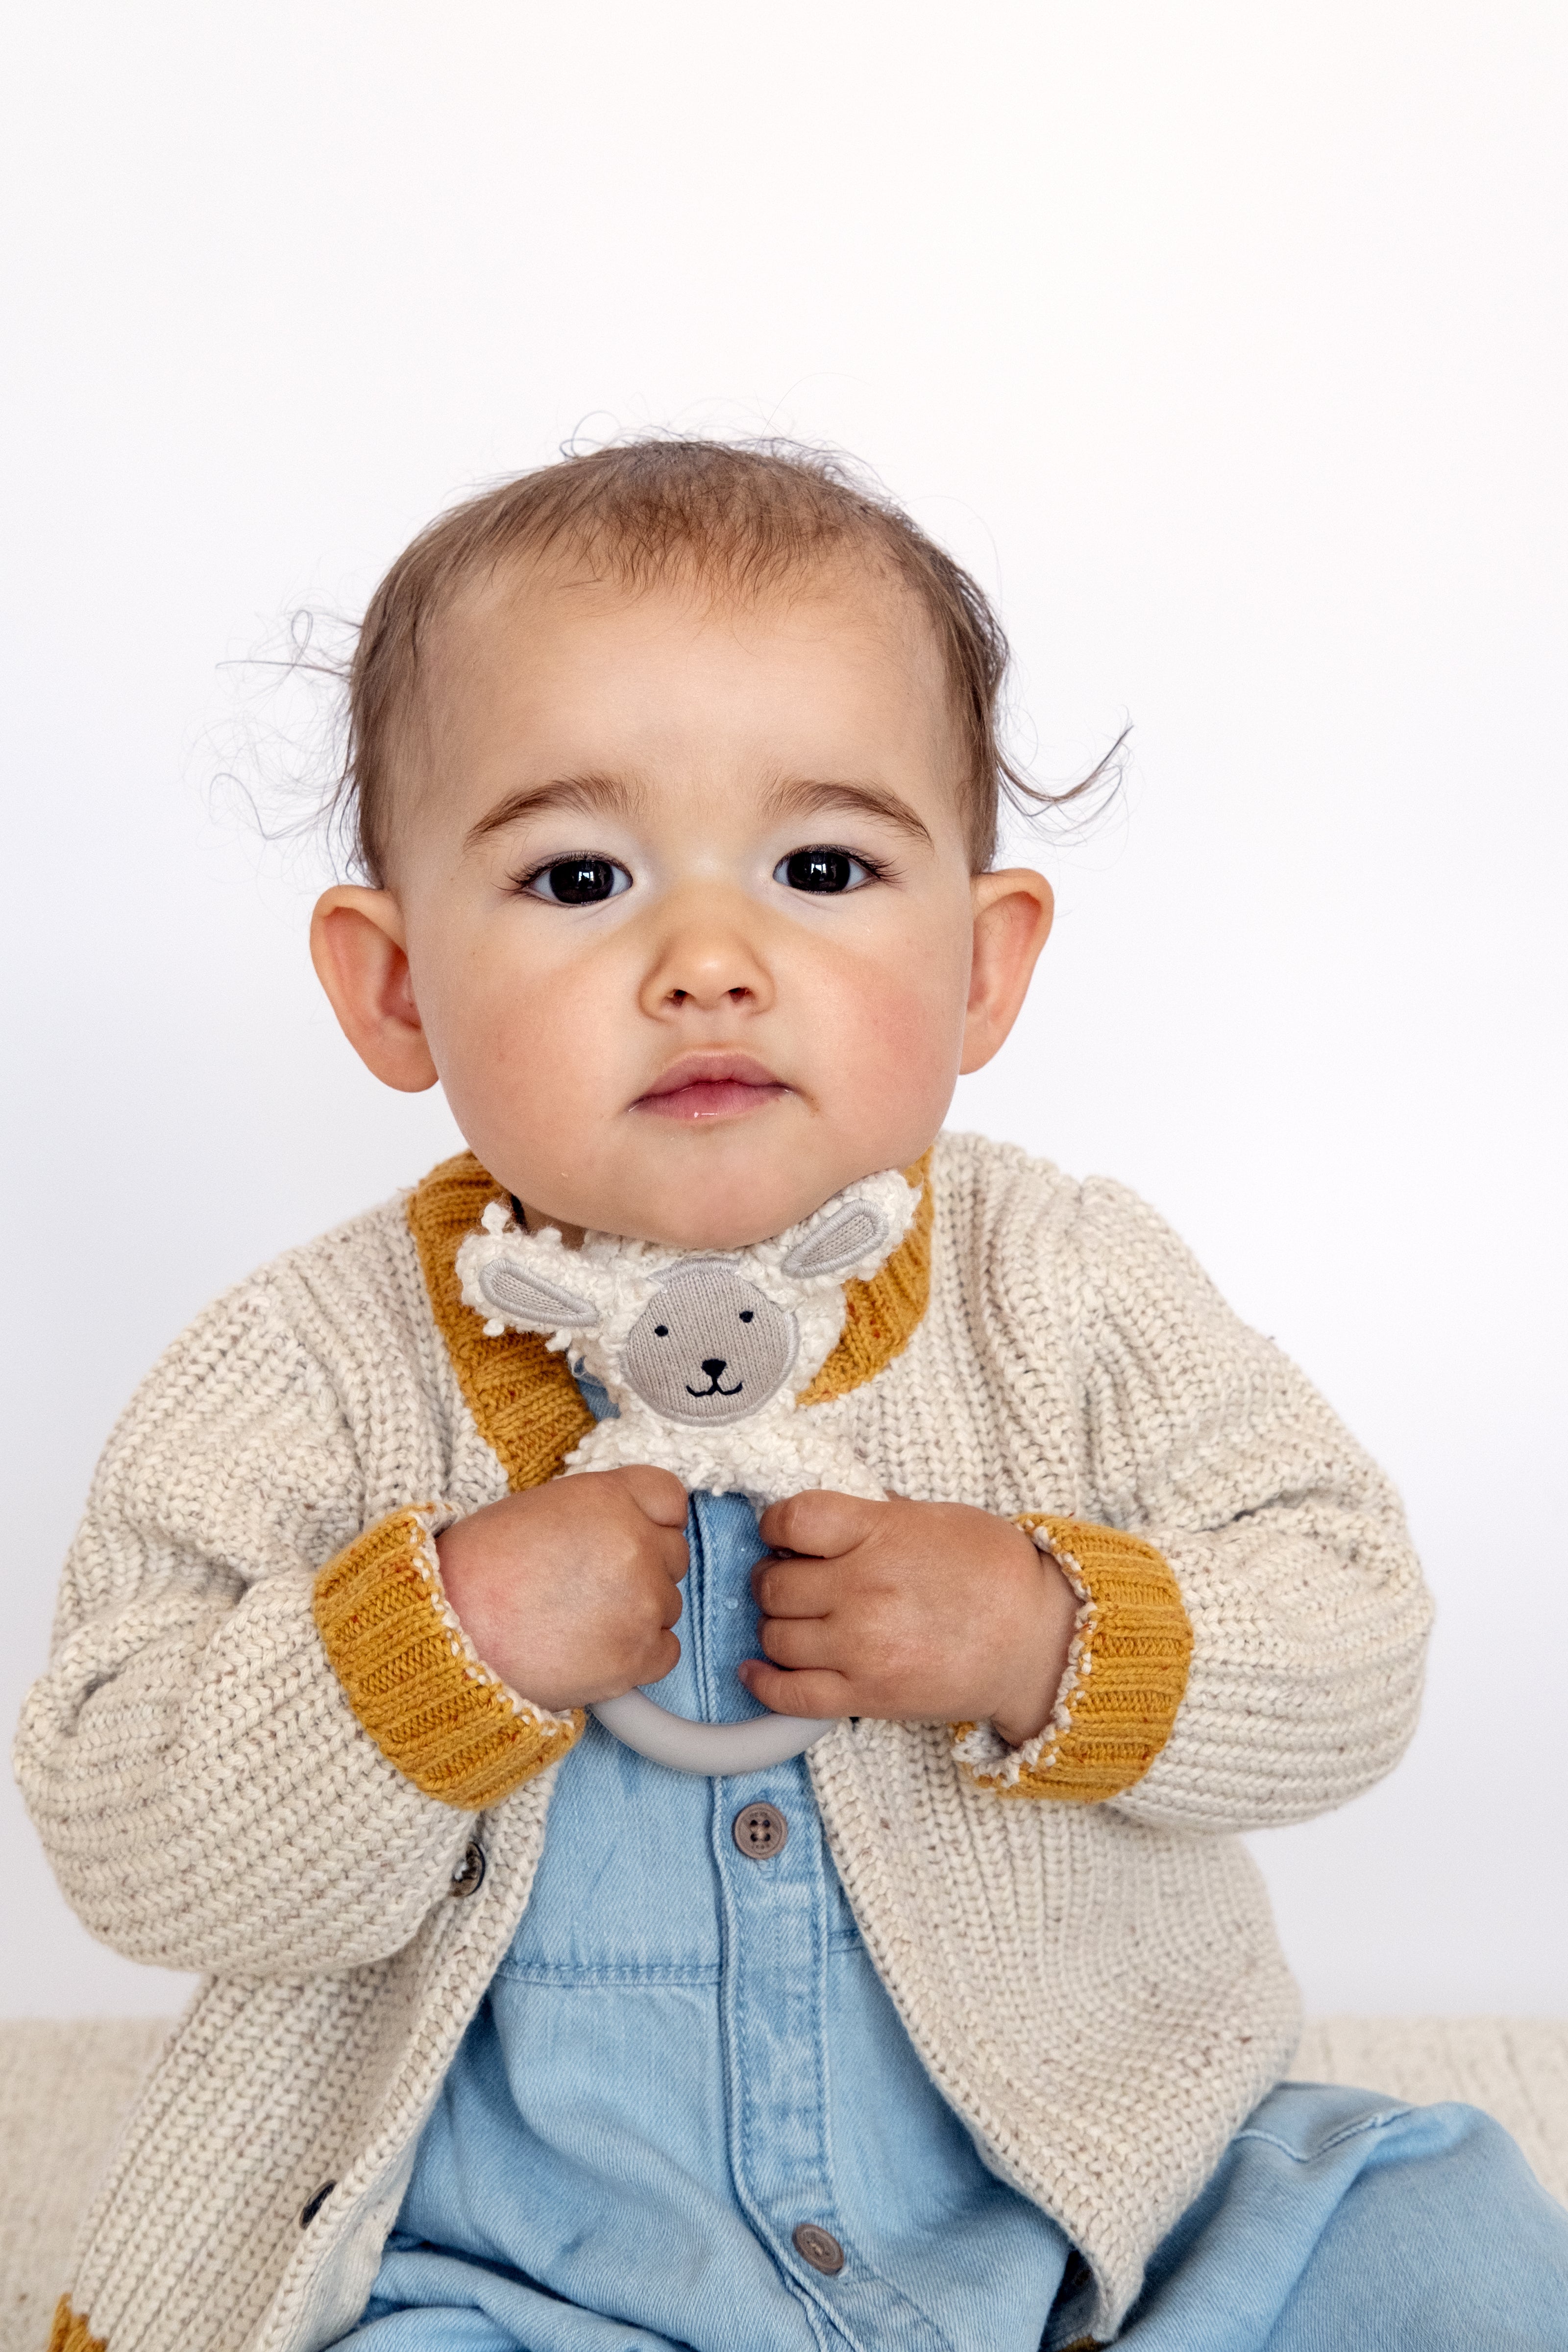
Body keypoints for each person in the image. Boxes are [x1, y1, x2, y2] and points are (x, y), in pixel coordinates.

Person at [17, 441, 1567, 2352]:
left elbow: (1349, 1628)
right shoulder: (306, 1372)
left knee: (1441, 2235)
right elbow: (120, 1813)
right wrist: (446, 1640)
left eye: (820, 868)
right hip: (529, 2285)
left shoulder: (1058, 1287)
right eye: (578, 876)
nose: (708, 965)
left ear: (982, 962)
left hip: (1093, 2240)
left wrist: (1040, 1629)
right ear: (396, 985)